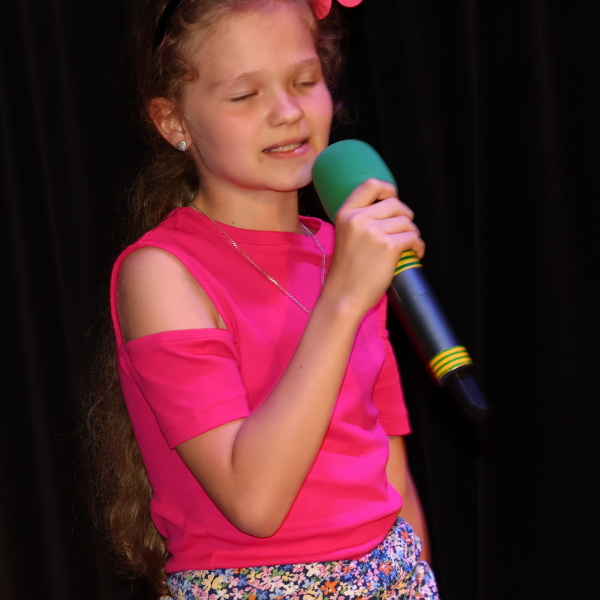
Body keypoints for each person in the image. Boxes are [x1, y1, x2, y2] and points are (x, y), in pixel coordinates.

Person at [88, 0, 440, 598]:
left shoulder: (345, 252)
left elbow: (390, 470)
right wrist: (343, 299)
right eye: (245, 95)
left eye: (304, 81)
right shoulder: (162, 274)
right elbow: (254, 501)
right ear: (174, 122)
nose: (287, 112)